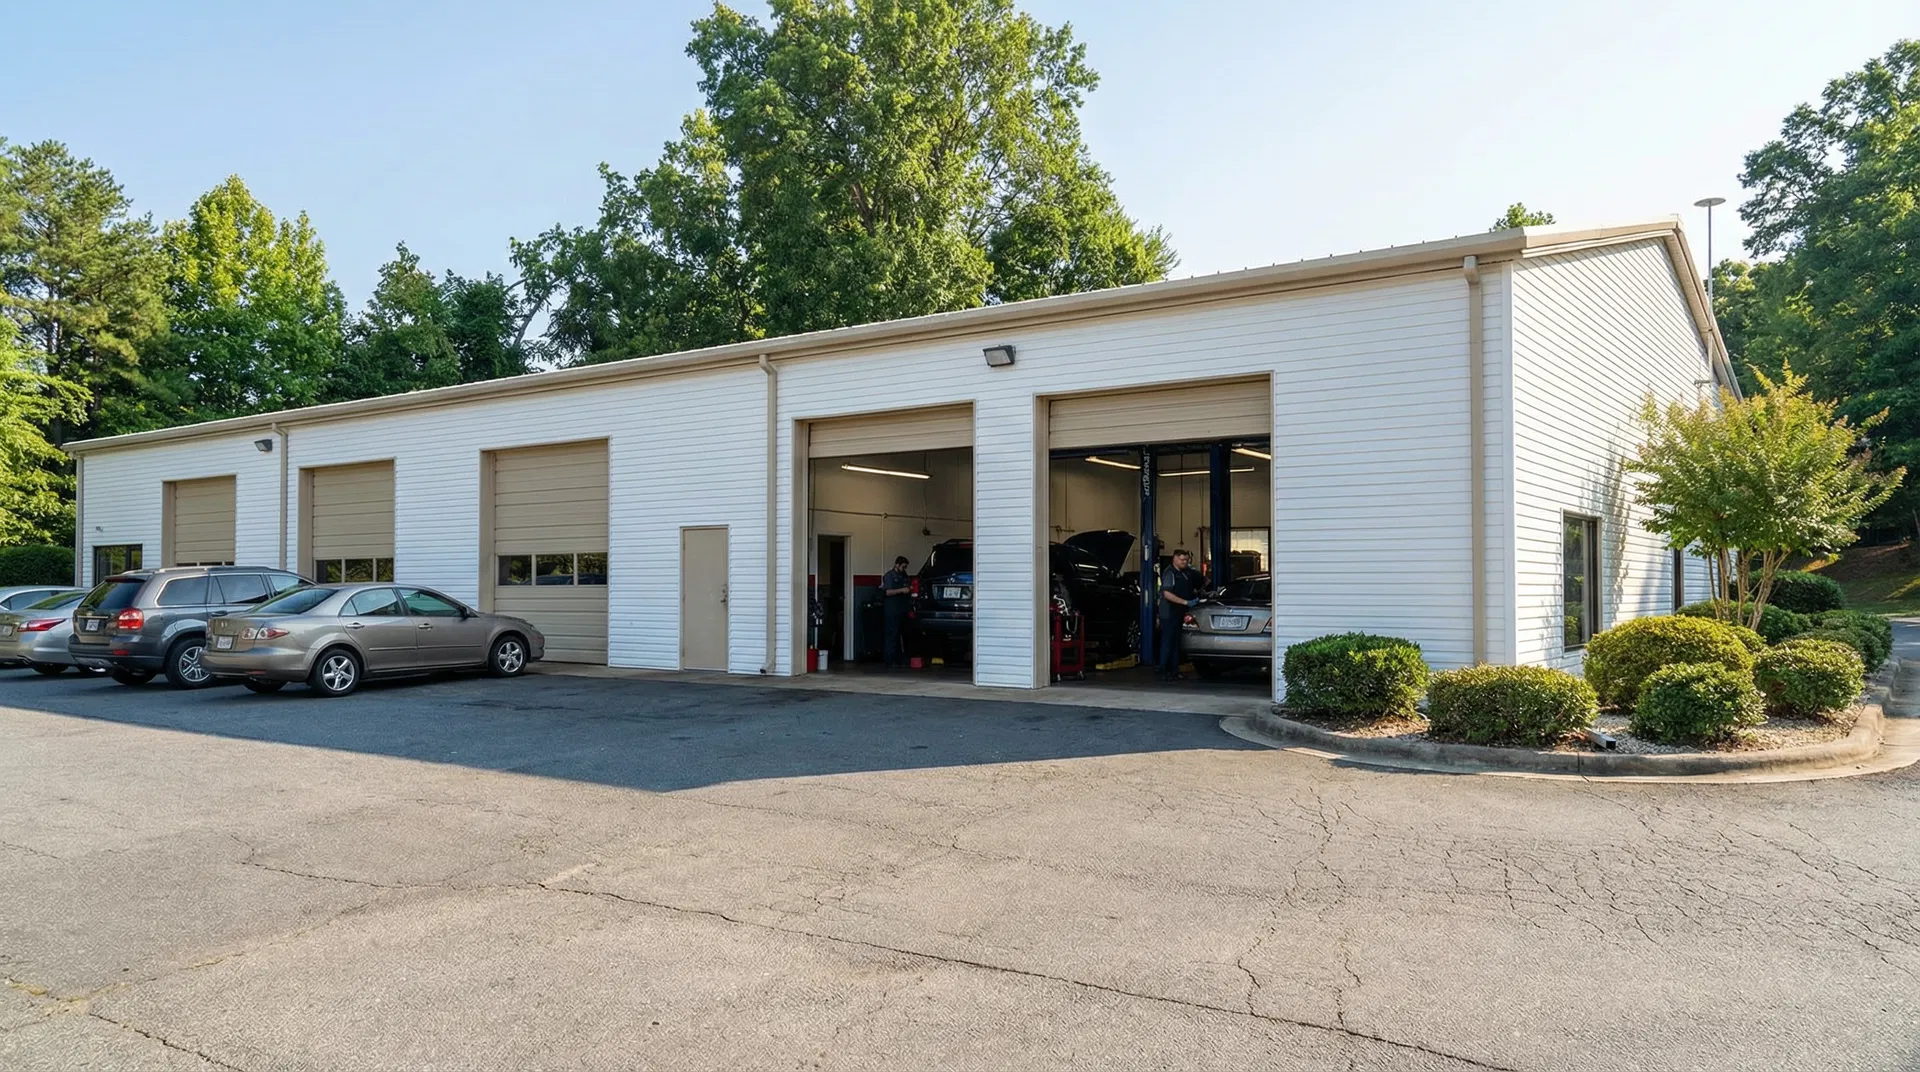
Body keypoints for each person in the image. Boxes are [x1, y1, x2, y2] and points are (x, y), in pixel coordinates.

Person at [1158, 549, 1198, 681]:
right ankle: (1163, 670)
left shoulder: (1186, 572)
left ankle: (1175, 671)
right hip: (1169, 612)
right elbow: (1167, 594)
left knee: (1176, 643)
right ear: (1174, 559)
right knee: (1168, 642)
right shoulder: (1170, 573)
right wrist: (1186, 602)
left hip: (1180, 612)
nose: (1185, 562)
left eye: (1186, 560)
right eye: (1182, 560)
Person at [881, 555, 913, 669]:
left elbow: (908, 586)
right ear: (897, 565)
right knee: (891, 635)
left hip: (902, 609)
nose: (904, 569)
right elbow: (887, 592)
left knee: (901, 634)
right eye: (903, 567)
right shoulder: (889, 576)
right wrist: (902, 590)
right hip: (891, 610)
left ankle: (899, 659)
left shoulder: (904, 576)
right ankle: (889, 660)